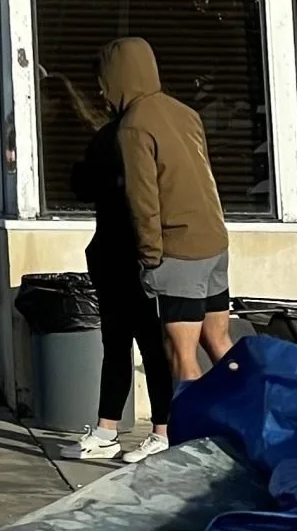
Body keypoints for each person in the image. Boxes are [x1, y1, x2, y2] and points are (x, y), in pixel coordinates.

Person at [53, 67, 172, 464]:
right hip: (131, 254)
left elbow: (90, 188)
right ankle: (143, 429)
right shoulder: (144, 130)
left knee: (128, 345)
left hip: (125, 255)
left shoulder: (117, 136)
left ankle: (140, 430)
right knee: (143, 345)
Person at [105, 38, 232, 390]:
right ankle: (248, 416)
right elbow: (206, 175)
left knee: (181, 354)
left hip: (179, 249)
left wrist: (150, 258)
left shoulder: (133, 126)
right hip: (213, 241)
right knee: (220, 343)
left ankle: (191, 436)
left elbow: (143, 198)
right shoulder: (185, 112)